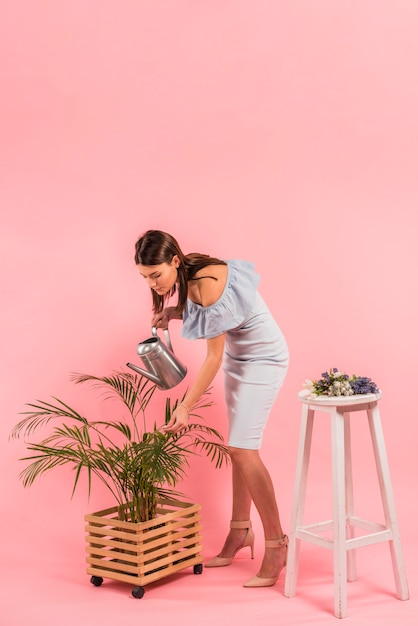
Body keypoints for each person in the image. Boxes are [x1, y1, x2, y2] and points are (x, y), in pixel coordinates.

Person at [134, 229, 289, 588]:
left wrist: (185, 407)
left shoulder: (204, 283)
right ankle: (239, 533)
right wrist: (172, 312)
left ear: (174, 261)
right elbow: (220, 320)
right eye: (145, 277)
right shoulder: (189, 271)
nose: (153, 283)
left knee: (244, 450)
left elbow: (212, 357)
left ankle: (277, 543)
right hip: (241, 357)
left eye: (155, 275)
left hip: (264, 359)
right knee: (238, 450)